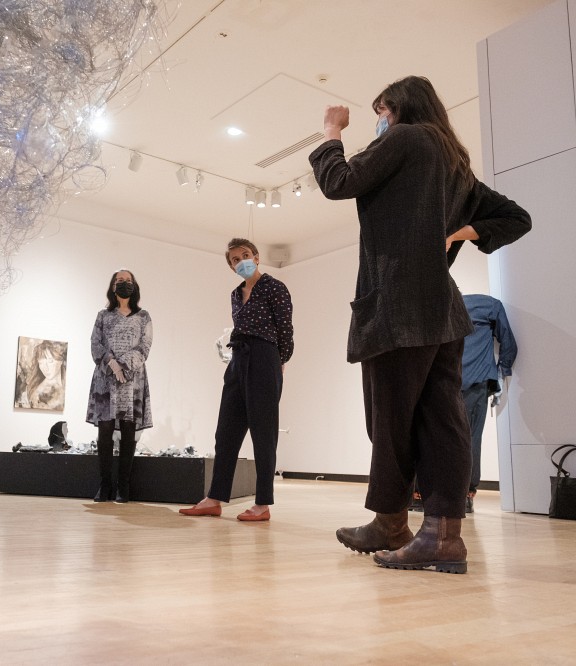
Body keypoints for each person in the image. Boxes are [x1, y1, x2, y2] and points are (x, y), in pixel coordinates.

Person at [309, 76, 531, 572]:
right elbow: (517, 217)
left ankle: (391, 522)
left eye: (381, 109)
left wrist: (331, 130)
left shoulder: (406, 139)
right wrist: (463, 230)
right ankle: (441, 535)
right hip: (443, 313)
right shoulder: (455, 163)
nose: (379, 119)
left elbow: (338, 182)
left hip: (398, 308)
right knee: (442, 422)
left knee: (389, 420)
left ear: (399, 107)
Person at [179, 239, 293, 522]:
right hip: (237, 358)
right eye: (234, 259)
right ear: (231, 266)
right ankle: (214, 498)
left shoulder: (274, 287)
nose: (240, 260)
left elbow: (285, 329)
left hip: (265, 358)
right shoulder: (235, 294)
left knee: (263, 434)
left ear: (256, 257)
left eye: (245, 255)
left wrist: (280, 362)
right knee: (225, 432)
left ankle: (263, 504)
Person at [86, 269, 153, 503]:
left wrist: (124, 365)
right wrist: (112, 364)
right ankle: (104, 486)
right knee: (104, 432)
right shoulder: (103, 316)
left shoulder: (143, 317)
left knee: (128, 432)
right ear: (113, 286)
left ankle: (123, 488)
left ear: (134, 286)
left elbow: (145, 346)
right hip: (106, 379)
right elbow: (95, 343)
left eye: (128, 280)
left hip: (132, 381)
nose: (124, 283)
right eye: (119, 280)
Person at [460, 293, 517, 513]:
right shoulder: (489, 305)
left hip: (445, 381)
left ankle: (422, 494)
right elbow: (509, 342)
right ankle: (466, 494)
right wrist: (503, 371)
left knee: (438, 439)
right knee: (471, 437)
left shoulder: (442, 303)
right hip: (475, 380)